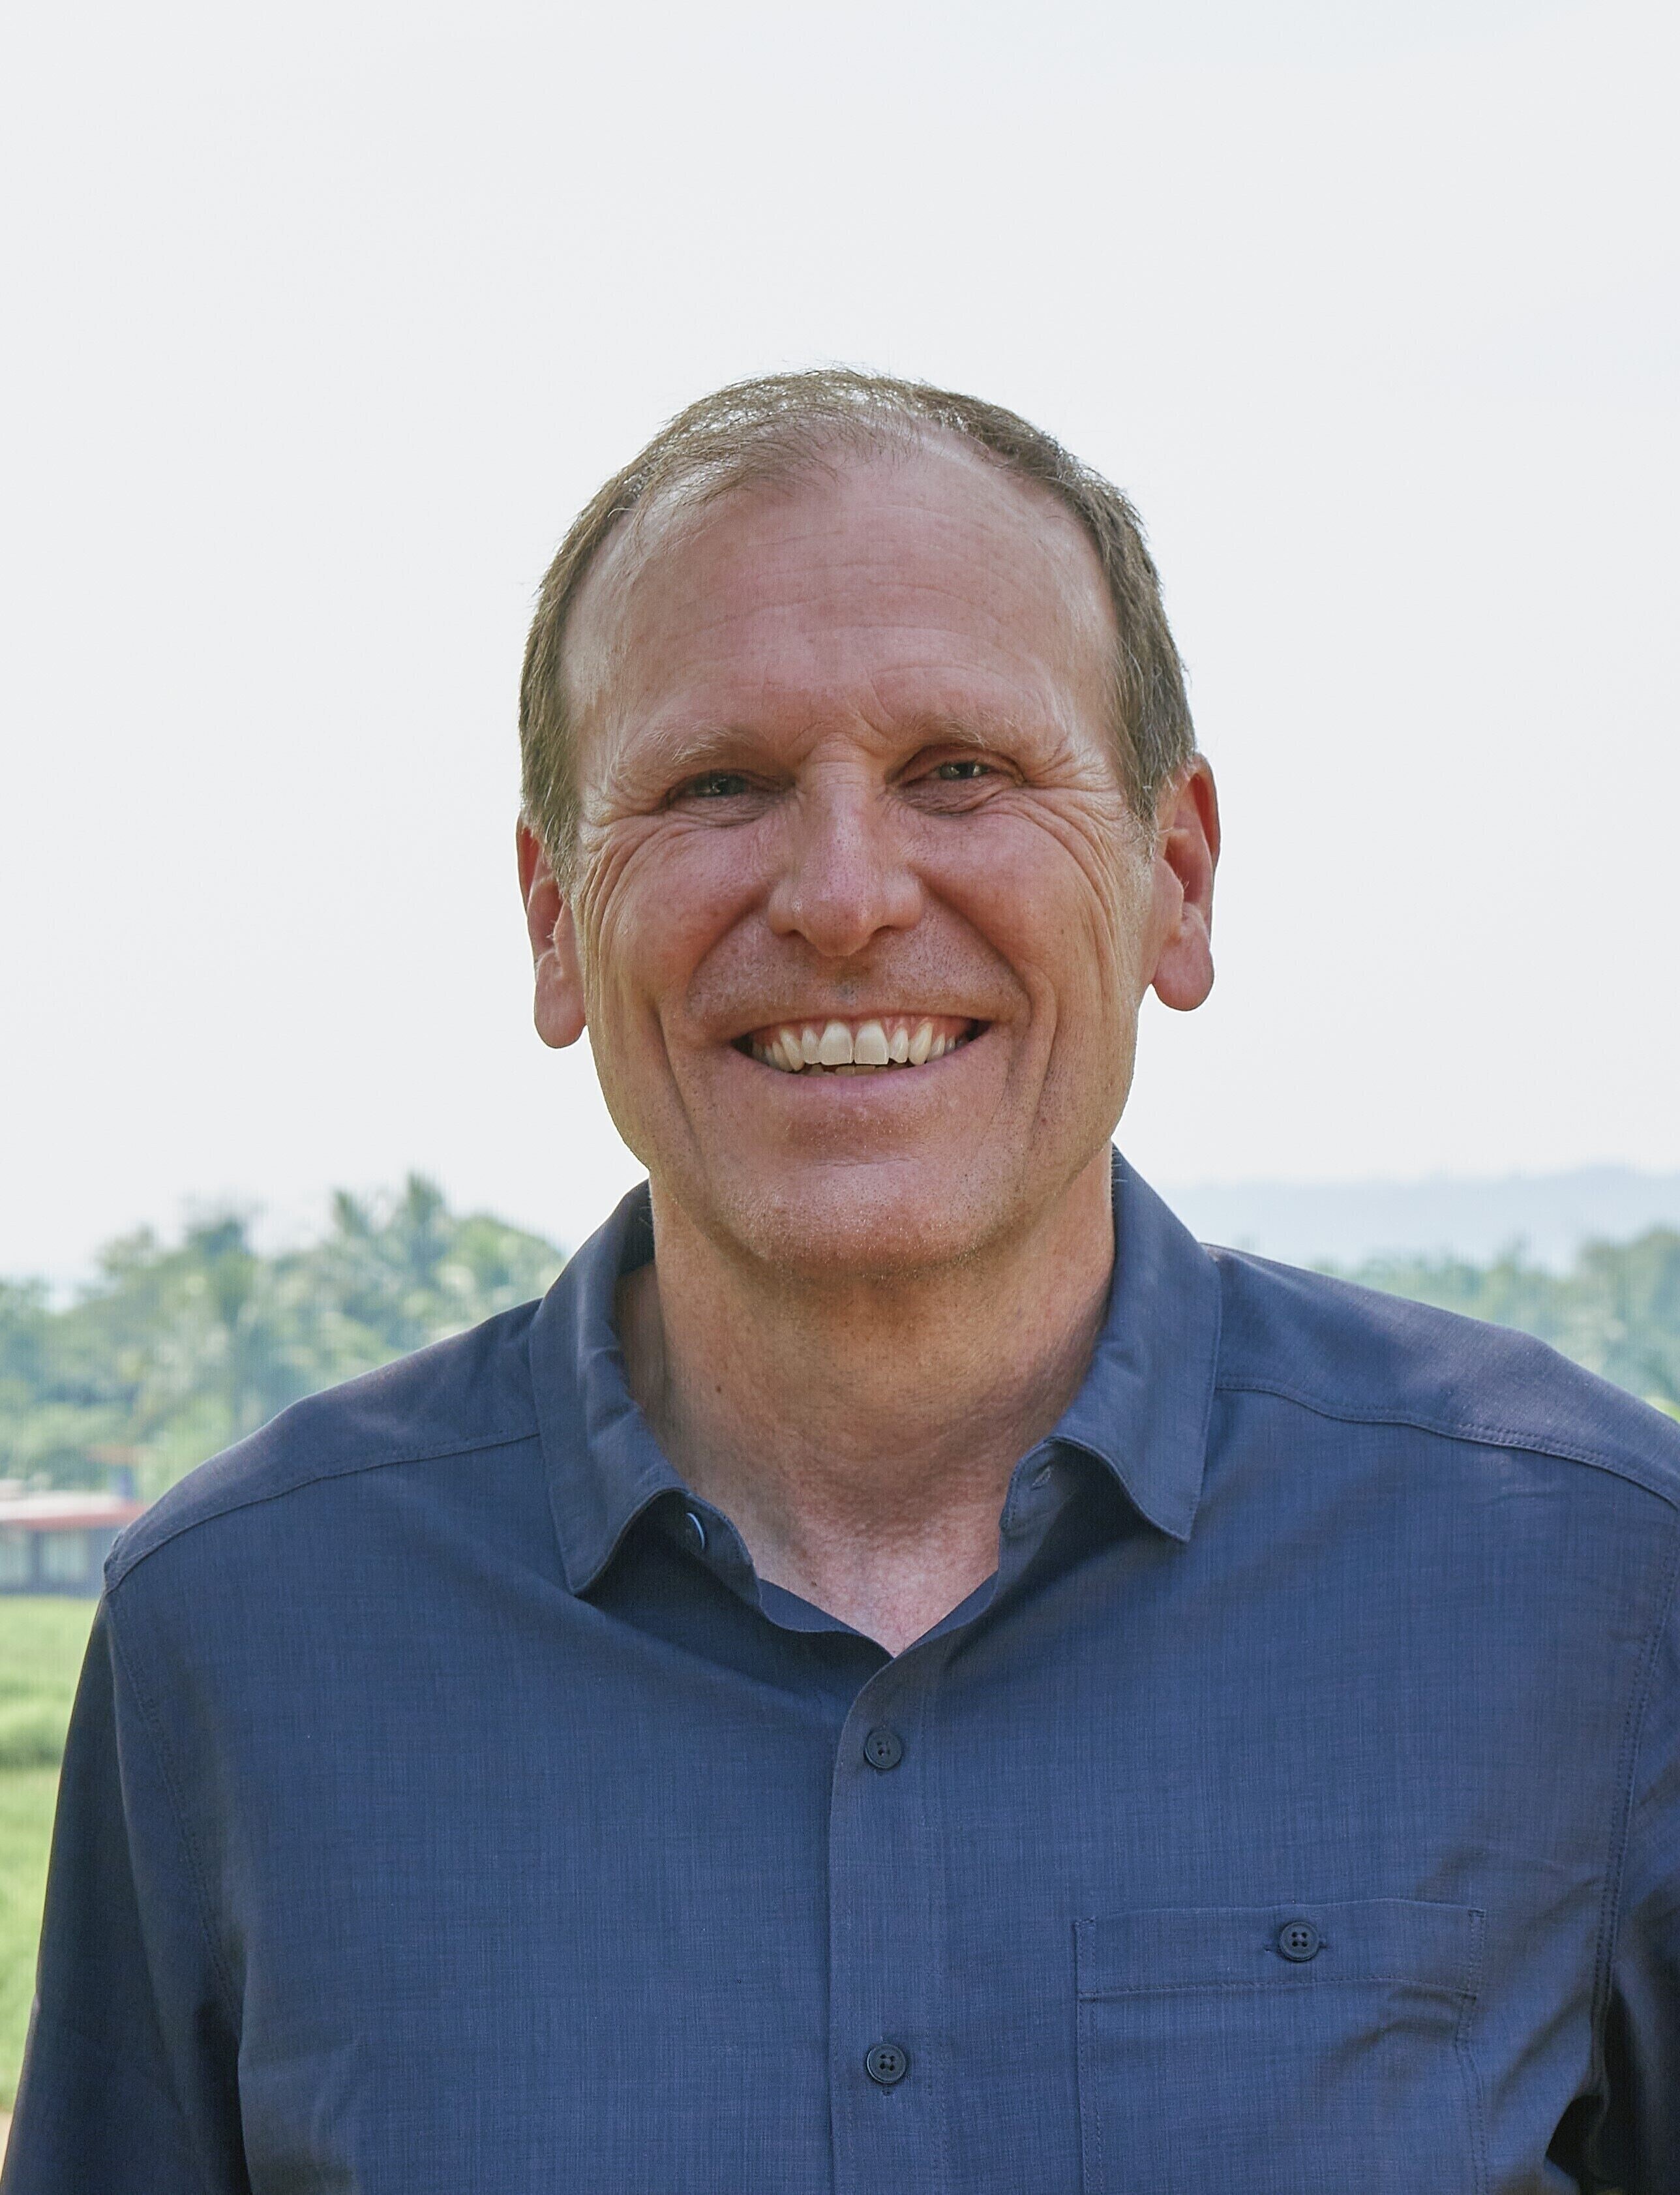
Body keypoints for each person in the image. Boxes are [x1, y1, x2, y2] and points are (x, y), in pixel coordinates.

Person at [7, 371, 1679, 2193]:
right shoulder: (239, 1637)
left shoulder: (1598, 1585)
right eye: (716, 785)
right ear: (556, 919)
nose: (843, 895)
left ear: (1177, 879)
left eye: (960, 771)